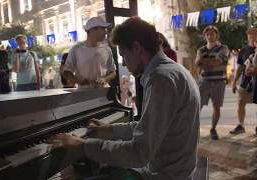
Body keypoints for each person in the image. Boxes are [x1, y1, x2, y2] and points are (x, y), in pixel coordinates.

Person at [49, 17, 200, 180]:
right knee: (103, 169)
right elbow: (150, 128)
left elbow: (138, 152)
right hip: (172, 170)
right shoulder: (173, 70)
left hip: (163, 175)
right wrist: (111, 129)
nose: (124, 64)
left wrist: (83, 145)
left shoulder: (160, 79)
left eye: (123, 55)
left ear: (136, 48)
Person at [195, 25, 229, 140]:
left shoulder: (223, 48)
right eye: (207, 34)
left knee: (216, 106)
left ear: (216, 35)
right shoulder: (201, 49)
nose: (210, 36)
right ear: (205, 36)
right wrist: (210, 62)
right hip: (204, 82)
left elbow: (217, 61)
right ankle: (193, 129)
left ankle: (213, 129)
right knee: (197, 106)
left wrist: (204, 62)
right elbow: (197, 62)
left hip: (219, 82)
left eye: (212, 34)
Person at [63, 17, 116, 88]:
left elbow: (113, 72)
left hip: (103, 94)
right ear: (93, 30)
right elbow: (67, 71)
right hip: (83, 95)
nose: (105, 32)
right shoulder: (76, 49)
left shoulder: (107, 49)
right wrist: (78, 81)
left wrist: (104, 79)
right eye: (103, 29)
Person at [230, 28, 257, 135]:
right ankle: (241, 125)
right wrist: (234, 81)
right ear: (248, 37)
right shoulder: (244, 50)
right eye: (250, 35)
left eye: (255, 34)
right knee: (241, 103)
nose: (252, 36)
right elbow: (240, 67)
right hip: (245, 82)